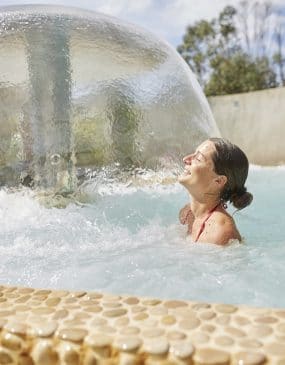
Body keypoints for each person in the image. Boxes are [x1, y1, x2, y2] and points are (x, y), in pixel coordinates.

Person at [178, 137, 253, 245]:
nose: (186, 159)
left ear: (218, 181)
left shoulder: (222, 232)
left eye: (198, 159)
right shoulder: (187, 214)